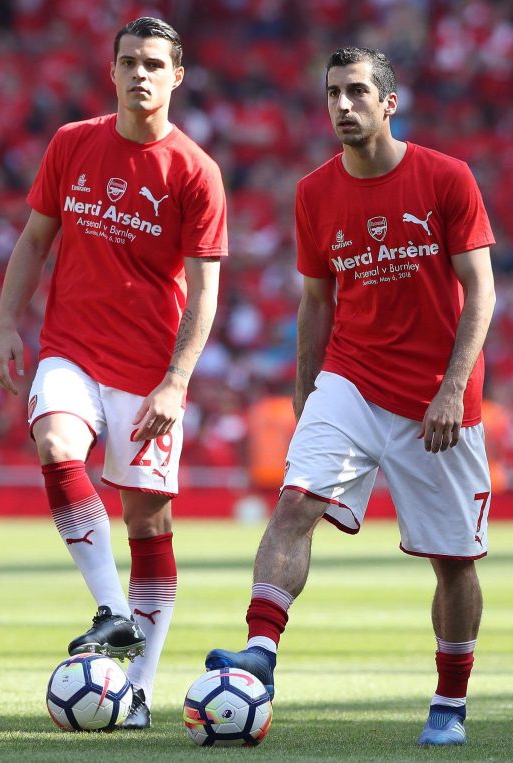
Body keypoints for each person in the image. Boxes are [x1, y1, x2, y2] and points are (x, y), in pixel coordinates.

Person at [204, 46, 495, 747]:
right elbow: (315, 301)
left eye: (358, 92)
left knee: (454, 561)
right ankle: (260, 655)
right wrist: (308, 392)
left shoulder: (447, 178)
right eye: (333, 92)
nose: (343, 105)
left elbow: (482, 290)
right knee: (295, 500)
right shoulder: (314, 192)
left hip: (437, 398)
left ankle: (449, 704)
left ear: (389, 103)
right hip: (352, 379)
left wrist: (453, 387)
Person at [0, 17, 226, 729]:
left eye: (155, 63)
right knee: (57, 444)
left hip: (151, 371)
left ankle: (142, 687)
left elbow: (205, 290)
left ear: (177, 76)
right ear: (112, 69)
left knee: (149, 523)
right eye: (129, 61)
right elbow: (35, 240)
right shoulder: (71, 143)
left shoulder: (195, 171)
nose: (140, 74)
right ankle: (114, 609)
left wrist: (177, 380)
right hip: (72, 350)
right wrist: (6, 322)